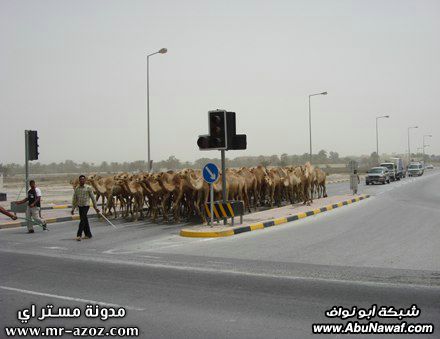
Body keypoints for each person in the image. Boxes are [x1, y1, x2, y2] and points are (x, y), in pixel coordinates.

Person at [71, 175, 100, 241]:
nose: (82, 181)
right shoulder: (77, 189)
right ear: (79, 180)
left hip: (86, 206)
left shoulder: (88, 188)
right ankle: (88, 234)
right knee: (84, 220)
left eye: (83, 179)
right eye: (81, 179)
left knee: (82, 220)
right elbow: (74, 199)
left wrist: (96, 207)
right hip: (80, 206)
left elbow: (93, 198)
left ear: (85, 180)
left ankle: (79, 235)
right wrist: (73, 208)